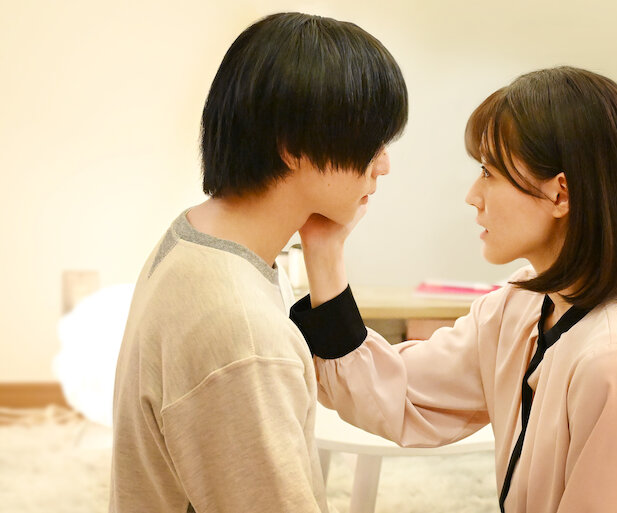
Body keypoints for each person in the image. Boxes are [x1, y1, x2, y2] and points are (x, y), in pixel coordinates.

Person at [290, 67, 617, 512]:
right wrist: (324, 249)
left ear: (560, 194)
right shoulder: (525, 301)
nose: (472, 195)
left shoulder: (616, 362)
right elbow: (399, 392)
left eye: (489, 172)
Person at [108, 12, 407, 513]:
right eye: (372, 142)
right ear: (294, 148)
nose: (384, 164)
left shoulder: (197, 235)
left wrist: (325, 249)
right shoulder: (241, 333)